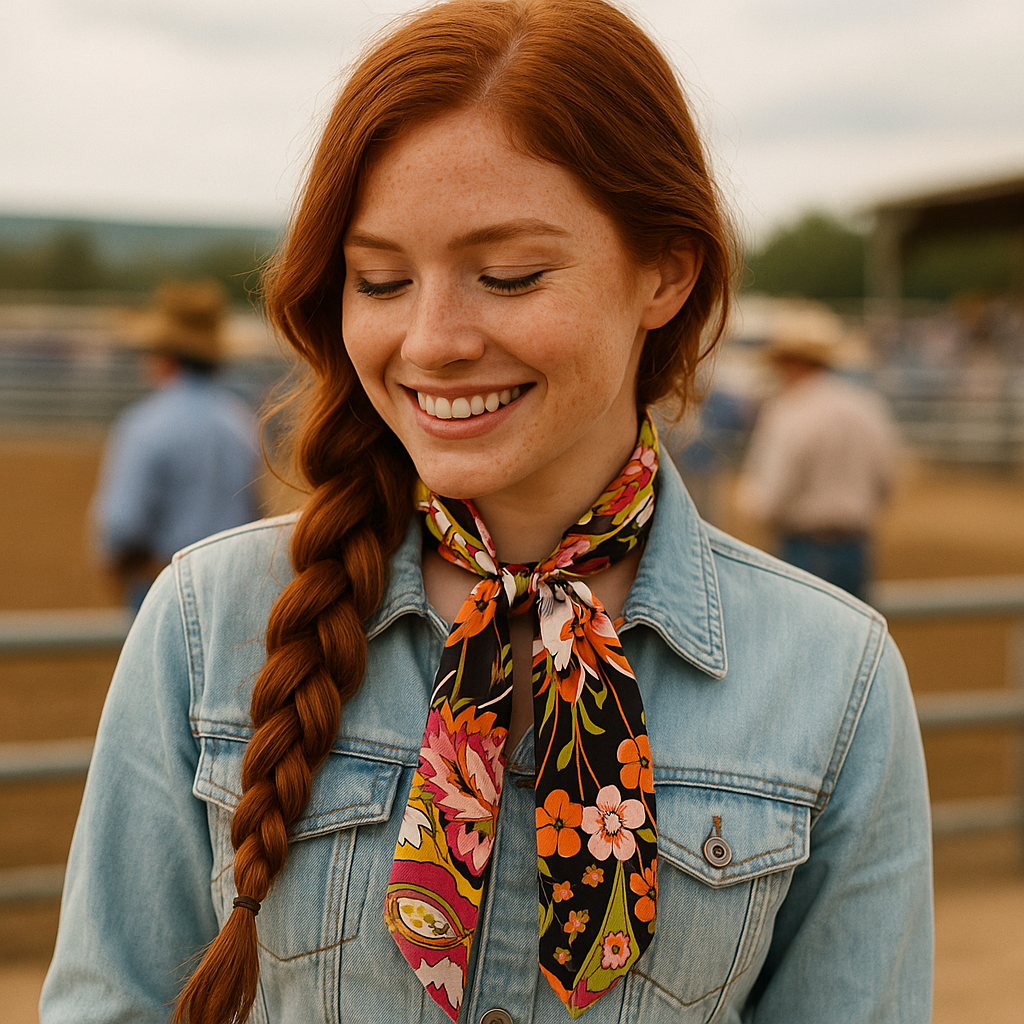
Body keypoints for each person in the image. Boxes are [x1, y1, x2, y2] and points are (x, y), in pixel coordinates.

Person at [42, 3, 932, 1022]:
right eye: (380, 279)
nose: (430, 341)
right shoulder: (207, 621)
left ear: (666, 271)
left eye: (507, 275)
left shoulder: (835, 679)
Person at [90, 280, 264, 610]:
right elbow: (259, 509)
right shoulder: (243, 423)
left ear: (164, 358)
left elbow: (121, 525)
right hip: (232, 588)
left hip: (165, 587)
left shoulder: (144, 426)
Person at [735, 305, 903, 600]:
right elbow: (887, 479)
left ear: (790, 363)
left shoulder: (788, 411)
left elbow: (772, 496)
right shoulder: (866, 405)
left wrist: (750, 501)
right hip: (856, 548)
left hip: (803, 546)